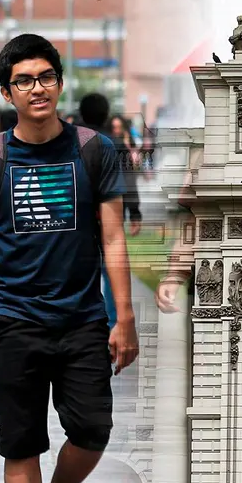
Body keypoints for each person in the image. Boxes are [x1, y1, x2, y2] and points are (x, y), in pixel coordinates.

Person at [0, 33, 139, 483]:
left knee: (93, 430)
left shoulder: (94, 149)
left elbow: (113, 238)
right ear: (7, 91)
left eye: (45, 77)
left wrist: (124, 316)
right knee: (21, 442)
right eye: (24, 81)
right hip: (13, 319)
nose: (37, 88)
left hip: (82, 318)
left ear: (59, 83)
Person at [77, 92, 142, 328]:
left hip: (79, 218)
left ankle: (84, 321)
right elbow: (129, 181)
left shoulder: (71, 143)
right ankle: (114, 324)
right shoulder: (115, 143)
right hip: (111, 216)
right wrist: (134, 212)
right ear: (106, 115)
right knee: (111, 268)